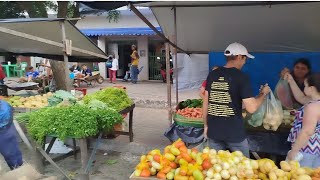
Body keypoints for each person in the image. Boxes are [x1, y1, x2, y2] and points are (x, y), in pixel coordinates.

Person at [203, 42, 270, 157]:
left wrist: (206, 126)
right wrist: (263, 94)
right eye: (245, 59)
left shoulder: (212, 75)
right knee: (242, 169)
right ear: (239, 57)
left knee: (217, 169)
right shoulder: (241, 77)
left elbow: (206, 102)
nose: (245, 62)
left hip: (214, 131)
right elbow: (252, 108)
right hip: (234, 133)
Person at [285, 73, 320, 168]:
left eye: (305, 86)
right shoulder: (315, 102)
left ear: (312, 89)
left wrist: (294, 151)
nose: (304, 88)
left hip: (306, 150)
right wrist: (291, 80)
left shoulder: (312, 107)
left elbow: (307, 132)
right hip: (316, 148)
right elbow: (301, 98)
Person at [0, 100, 23, 170]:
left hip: (4, 129)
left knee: (10, 152)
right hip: (6, 127)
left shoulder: (4, 108)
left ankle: (18, 168)